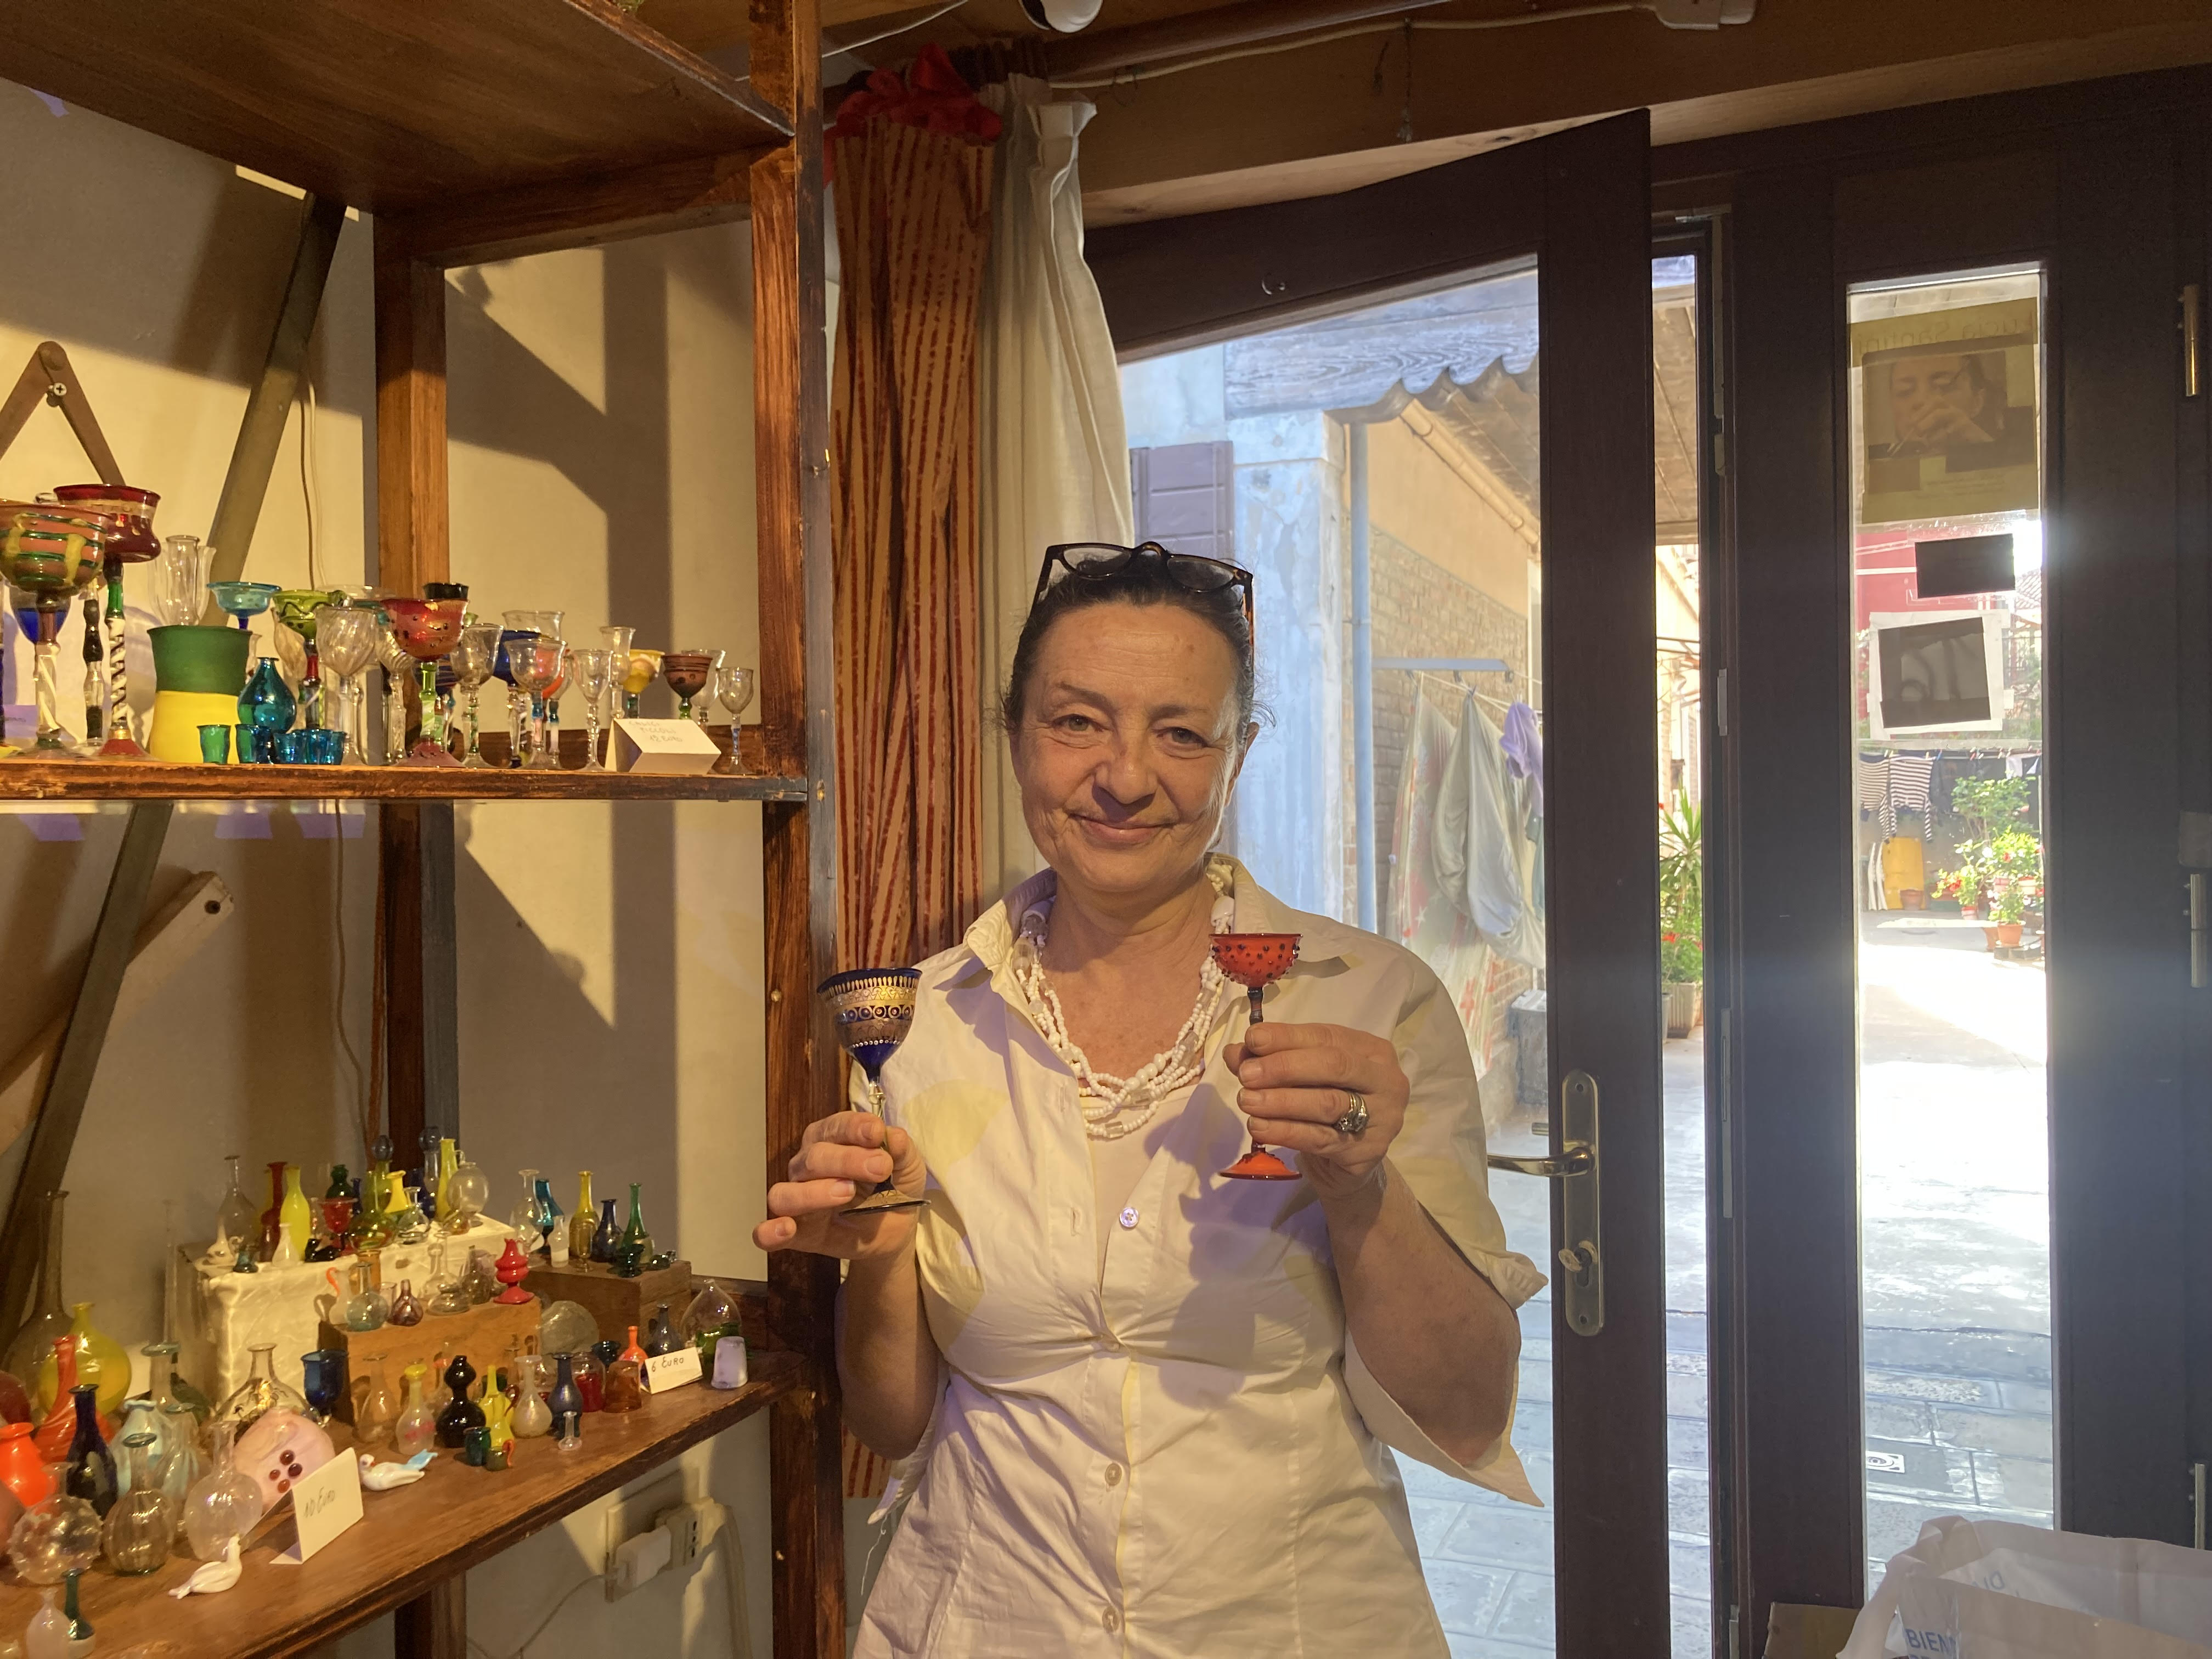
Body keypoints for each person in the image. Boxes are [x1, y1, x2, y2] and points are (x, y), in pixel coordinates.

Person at [755, 540, 1542, 1655]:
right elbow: (894, 1422)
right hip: (988, 1623)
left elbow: (1464, 1409)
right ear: (1016, 734)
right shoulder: (923, 1023)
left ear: (1239, 755)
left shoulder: (1369, 1004)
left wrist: (1361, 1193)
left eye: (1181, 732)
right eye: (1077, 722)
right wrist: (879, 1251)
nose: (1125, 776)